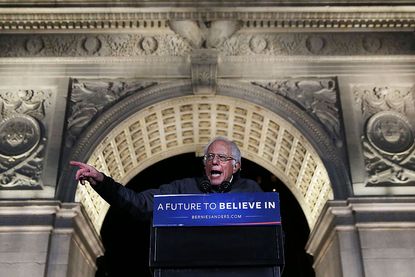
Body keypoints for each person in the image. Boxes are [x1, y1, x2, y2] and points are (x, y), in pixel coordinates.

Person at [70, 136, 262, 219]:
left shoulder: (251, 190)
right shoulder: (183, 188)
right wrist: (102, 181)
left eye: (222, 158)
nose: (214, 162)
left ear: (236, 165)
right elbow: (139, 203)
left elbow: (271, 234)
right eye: (209, 157)